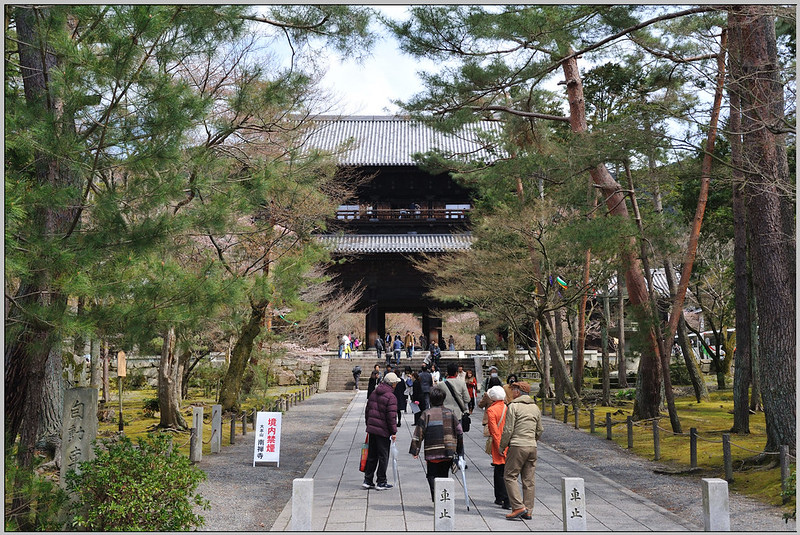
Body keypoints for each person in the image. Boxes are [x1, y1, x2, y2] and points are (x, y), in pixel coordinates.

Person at [409, 388, 464, 501]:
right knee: (444, 475)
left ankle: (436, 497)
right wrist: (459, 451)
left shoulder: (427, 414)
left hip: (433, 449)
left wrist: (415, 449)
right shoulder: (450, 413)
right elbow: (459, 432)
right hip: (448, 450)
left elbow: (419, 432)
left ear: (431, 399)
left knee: (432, 475)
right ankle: (443, 499)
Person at [499, 381, 543, 520]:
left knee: (510, 476)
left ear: (518, 392)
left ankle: (518, 507)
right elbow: (540, 429)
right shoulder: (535, 408)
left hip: (517, 445)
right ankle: (528, 510)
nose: (511, 392)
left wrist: (502, 446)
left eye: (514, 389)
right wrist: (533, 440)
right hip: (532, 446)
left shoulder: (514, 406)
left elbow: (508, 429)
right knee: (528, 480)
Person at [363, 373, 400, 491]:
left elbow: (367, 410)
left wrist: (368, 424)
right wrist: (393, 431)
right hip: (383, 430)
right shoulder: (391, 397)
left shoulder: (374, 392)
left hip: (372, 429)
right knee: (383, 456)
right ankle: (381, 481)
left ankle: (368, 480)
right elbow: (391, 417)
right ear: (393, 384)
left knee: (372, 455)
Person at [486, 385, 510, 510]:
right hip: (508, 441)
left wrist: (500, 446)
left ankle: (504, 498)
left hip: (499, 442)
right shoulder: (507, 407)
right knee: (505, 470)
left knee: (500, 470)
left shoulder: (491, 410)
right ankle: (501, 496)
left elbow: (494, 431)